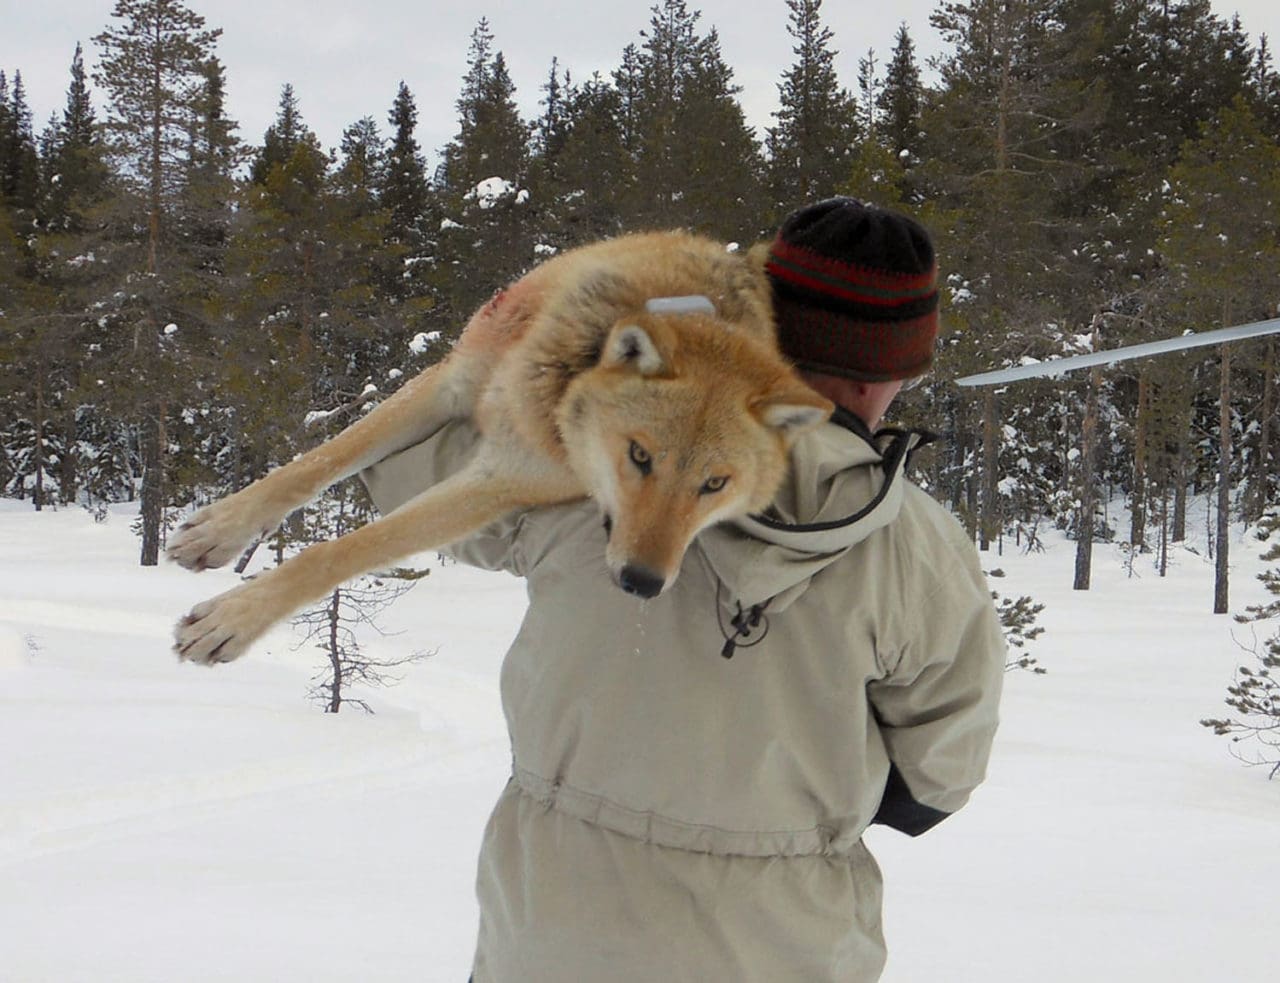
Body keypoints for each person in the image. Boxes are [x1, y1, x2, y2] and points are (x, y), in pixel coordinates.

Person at [361, 198, 1005, 982]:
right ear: (898, 370)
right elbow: (939, 777)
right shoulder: (917, 547)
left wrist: (550, 341)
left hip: (551, 943)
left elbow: (397, 465)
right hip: (788, 949)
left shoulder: (584, 460)